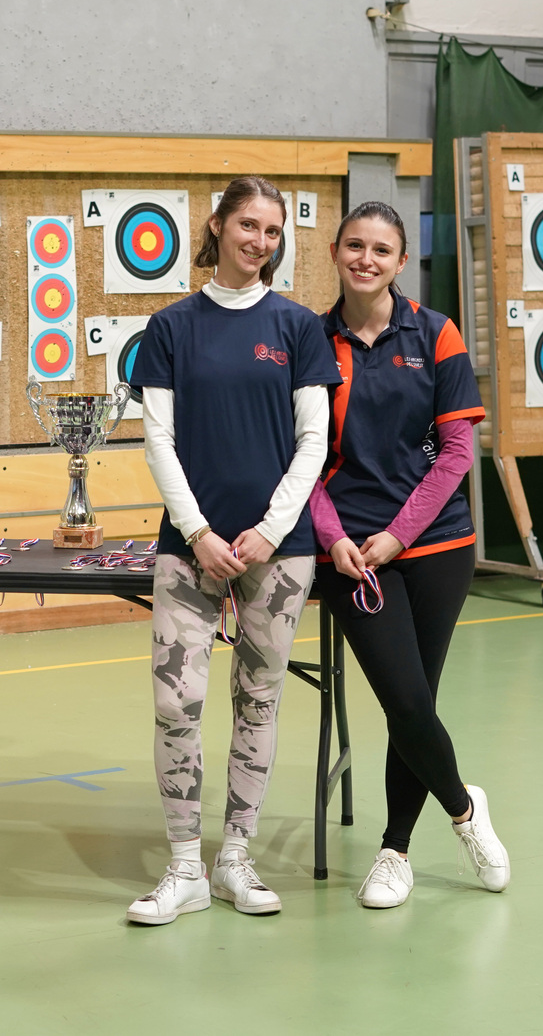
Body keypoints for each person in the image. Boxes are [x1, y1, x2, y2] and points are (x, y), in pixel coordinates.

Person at [124, 176, 339, 925]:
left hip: (281, 551)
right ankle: (185, 866)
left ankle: (235, 858)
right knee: (175, 702)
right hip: (190, 548)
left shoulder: (299, 327)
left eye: (273, 231)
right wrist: (200, 533)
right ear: (216, 226)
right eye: (248, 225)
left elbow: (314, 441)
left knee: (260, 697)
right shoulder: (170, 327)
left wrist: (270, 531)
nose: (260, 241)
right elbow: (158, 439)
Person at [306, 201, 510, 910]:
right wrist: (334, 537)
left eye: (381, 249)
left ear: (399, 262)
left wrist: (399, 534)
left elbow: (455, 452)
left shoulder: (437, 333)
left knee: (415, 701)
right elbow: (301, 460)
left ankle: (394, 851)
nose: (366, 259)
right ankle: (465, 811)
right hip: (351, 555)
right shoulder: (311, 340)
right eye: (354, 245)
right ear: (336, 251)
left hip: (437, 545)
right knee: (404, 696)